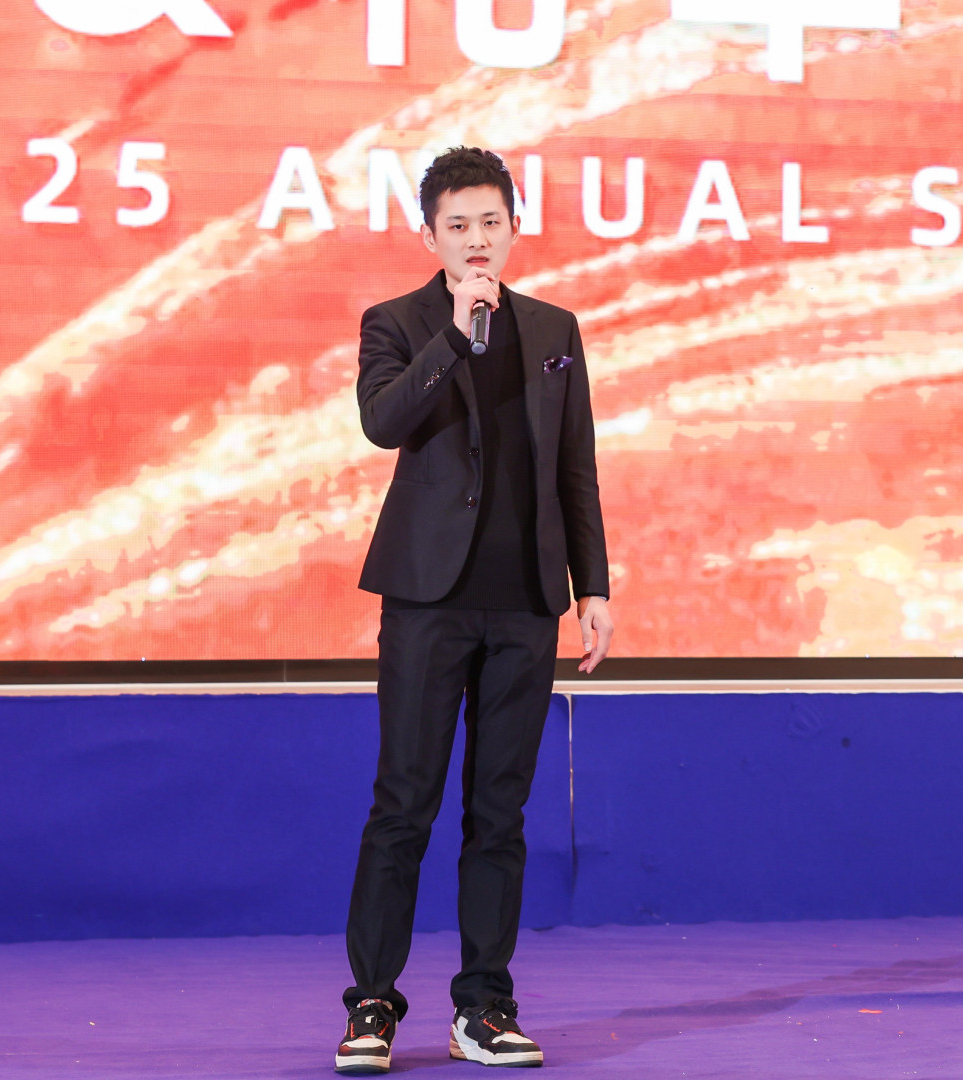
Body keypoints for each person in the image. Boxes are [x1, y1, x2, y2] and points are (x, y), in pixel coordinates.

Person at [334, 147, 614, 1073]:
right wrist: (455, 336)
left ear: (514, 227)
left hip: (526, 603)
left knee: (500, 813)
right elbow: (383, 422)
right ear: (430, 237)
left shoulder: (555, 329)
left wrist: (592, 586)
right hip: (428, 601)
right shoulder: (397, 322)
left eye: (491, 221)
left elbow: (575, 466)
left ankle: (483, 1006)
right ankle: (372, 1005)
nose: (477, 239)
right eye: (457, 225)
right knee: (403, 805)